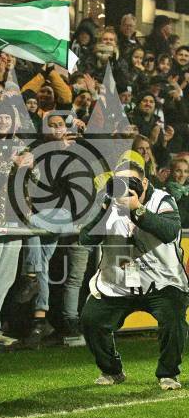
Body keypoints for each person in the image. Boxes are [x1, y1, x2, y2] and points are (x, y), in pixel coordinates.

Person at [80, 159, 188, 390]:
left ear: (145, 183)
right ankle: (112, 370)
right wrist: (104, 211)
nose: (126, 186)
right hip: (118, 281)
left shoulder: (162, 200)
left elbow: (169, 231)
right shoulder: (108, 202)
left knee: (173, 319)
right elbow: (86, 239)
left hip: (162, 281)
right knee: (91, 320)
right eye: (120, 181)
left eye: (132, 181)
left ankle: (168, 373)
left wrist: (137, 208)